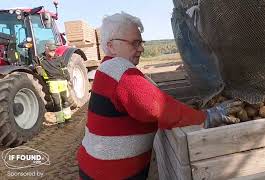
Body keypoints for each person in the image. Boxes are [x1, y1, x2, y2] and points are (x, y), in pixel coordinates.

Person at [77, 12, 241, 180]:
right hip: (109, 175)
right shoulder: (119, 71)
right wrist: (207, 116)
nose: (140, 48)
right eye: (134, 43)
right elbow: (158, 107)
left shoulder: (108, 69)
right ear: (111, 46)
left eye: (141, 42)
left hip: (97, 169)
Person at [39, 41, 72, 126]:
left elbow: (64, 69)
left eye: (54, 50)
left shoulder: (59, 58)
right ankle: (60, 121)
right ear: (46, 49)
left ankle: (68, 118)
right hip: (52, 83)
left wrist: (68, 78)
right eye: (51, 50)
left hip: (62, 82)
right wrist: (39, 71)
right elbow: (36, 66)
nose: (53, 52)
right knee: (57, 103)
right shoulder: (41, 59)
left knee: (65, 101)